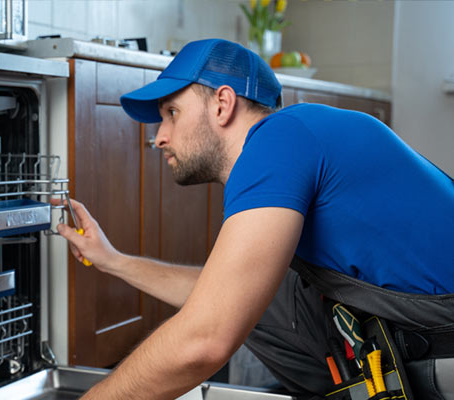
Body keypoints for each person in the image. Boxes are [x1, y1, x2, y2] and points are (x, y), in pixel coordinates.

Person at [55, 38, 454, 399]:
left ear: (223, 104)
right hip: (426, 319)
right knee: (265, 297)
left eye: (172, 113)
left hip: (442, 337)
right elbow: (224, 295)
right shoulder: (297, 134)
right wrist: (113, 260)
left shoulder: (279, 140)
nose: (160, 136)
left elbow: (206, 338)